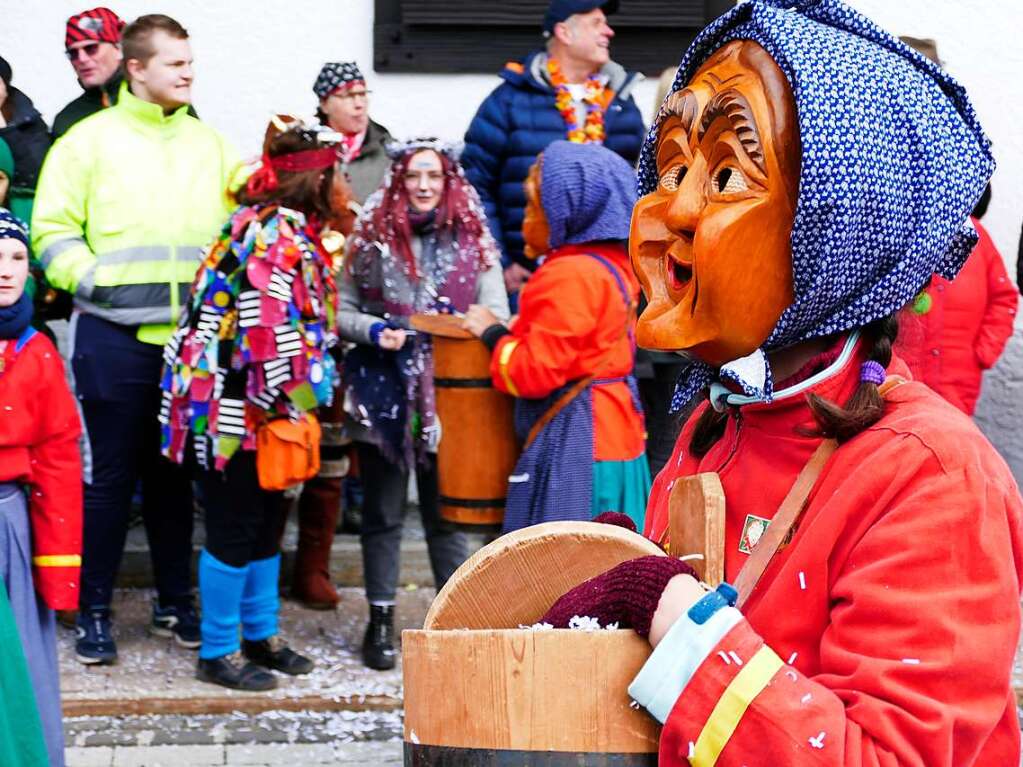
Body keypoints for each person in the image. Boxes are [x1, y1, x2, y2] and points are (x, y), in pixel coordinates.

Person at [536, 2, 1022, 763]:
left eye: (725, 171)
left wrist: (668, 607)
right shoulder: (720, 416)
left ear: (839, 225)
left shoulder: (930, 474)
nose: (674, 211)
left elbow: (885, 756)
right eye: (670, 166)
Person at [32, 13, 239, 665]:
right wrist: (93, 281)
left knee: (175, 478)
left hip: (188, 346)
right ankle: (92, 611)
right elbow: (51, 233)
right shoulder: (86, 142)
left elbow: (239, 235)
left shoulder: (211, 145)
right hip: (114, 340)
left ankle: (174, 604)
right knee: (111, 481)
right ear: (137, 68)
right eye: (175, 63)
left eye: (190, 62)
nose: (189, 73)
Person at [160, 118, 344, 691]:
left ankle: (261, 636)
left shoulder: (280, 229)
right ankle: (217, 649)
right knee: (235, 527)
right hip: (238, 411)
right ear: (314, 182)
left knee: (266, 525)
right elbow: (265, 340)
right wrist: (305, 398)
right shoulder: (272, 237)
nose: (341, 190)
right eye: (333, 178)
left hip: (263, 406)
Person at [340, 138, 509, 670]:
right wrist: (372, 329)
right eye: (414, 175)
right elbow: (340, 309)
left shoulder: (473, 240)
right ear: (398, 180)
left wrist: (457, 328)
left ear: (448, 180)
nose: (423, 185)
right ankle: (381, 621)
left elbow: (496, 311)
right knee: (383, 514)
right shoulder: (369, 240)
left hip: (454, 399)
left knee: (447, 516)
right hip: (382, 392)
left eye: (433, 176)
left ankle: (453, 621)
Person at [463, 140, 650, 531]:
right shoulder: (612, 263)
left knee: (568, 563)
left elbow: (534, 372)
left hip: (580, 441)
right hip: (617, 431)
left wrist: (494, 334)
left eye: (536, 204)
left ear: (571, 205)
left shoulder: (569, 274)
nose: (528, 216)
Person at [462, 0, 645, 301]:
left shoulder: (620, 102)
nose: (609, 32)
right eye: (596, 23)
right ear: (564, 32)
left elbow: (640, 186)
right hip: (527, 277)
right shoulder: (509, 100)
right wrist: (501, 263)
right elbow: (474, 186)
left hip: (608, 277)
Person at [0, 210, 83, 765]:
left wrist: (56, 566)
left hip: (7, 526)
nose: (5, 271)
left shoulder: (39, 353)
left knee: (19, 667)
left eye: (16, 257)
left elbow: (58, 460)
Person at [896, 206, 1017, 415]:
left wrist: (983, 352)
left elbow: (1004, 298)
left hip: (957, 379)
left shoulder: (977, 237)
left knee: (953, 441)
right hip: (904, 376)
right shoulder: (906, 228)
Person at [314, 61, 393, 204]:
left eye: (362, 94)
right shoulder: (306, 150)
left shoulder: (388, 150)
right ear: (324, 104)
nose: (359, 104)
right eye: (348, 96)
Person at [52, 7, 126, 140]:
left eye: (91, 48)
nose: (82, 59)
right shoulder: (67, 121)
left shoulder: (152, 99)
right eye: (73, 53)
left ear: (119, 49)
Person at [0, 57, 51, 225]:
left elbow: (40, 170)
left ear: (6, 86)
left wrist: (5, 131)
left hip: (29, 215)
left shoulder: (28, 122)